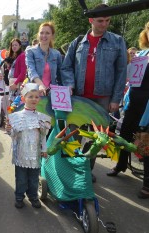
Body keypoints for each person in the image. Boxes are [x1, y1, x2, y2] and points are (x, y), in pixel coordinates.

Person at [61, 3, 127, 182]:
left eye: (107, 20)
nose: (104, 24)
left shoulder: (117, 41)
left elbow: (122, 72)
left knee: (97, 137)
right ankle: (70, 168)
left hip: (103, 99)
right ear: (91, 20)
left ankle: (86, 170)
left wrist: (116, 99)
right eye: (100, 21)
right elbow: (66, 67)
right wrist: (69, 85)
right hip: (79, 97)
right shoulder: (78, 42)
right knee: (72, 133)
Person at [106, 21, 149, 198]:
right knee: (124, 134)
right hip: (134, 103)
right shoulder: (143, 53)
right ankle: (121, 164)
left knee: (146, 144)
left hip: (148, 106)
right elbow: (133, 79)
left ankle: (147, 184)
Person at [5, 83, 51, 208]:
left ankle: (33, 197)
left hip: (35, 155)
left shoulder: (42, 118)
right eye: (30, 96)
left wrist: (44, 149)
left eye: (36, 97)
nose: (34, 99)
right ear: (23, 98)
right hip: (21, 154)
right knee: (21, 178)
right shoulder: (15, 117)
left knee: (34, 178)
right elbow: (13, 135)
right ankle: (19, 197)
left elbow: (42, 136)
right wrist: (9, 129)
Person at [26, 22, 63, 95]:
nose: (44, 35)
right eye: (41, 33)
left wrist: (65, 89)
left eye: (47, 33)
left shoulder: (57, 54)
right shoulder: (30, 51)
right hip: (34, 93)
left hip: (52, 94)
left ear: (52, 36)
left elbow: (60, 76)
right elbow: (31, 71)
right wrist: (41, 86)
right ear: (38, 35)